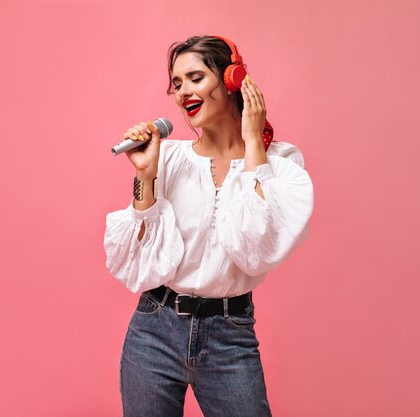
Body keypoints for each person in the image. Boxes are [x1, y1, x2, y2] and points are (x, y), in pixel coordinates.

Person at [104, 35, 314, 417]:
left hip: (228, 334)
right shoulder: (169, 157)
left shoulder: (279, 164)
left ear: (233, 79)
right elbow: (139, 257)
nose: (183, 91)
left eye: (196, 77)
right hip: (154, 329)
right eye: (177, 82)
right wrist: (146, 176)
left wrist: (252, 142)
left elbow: (259, 244)